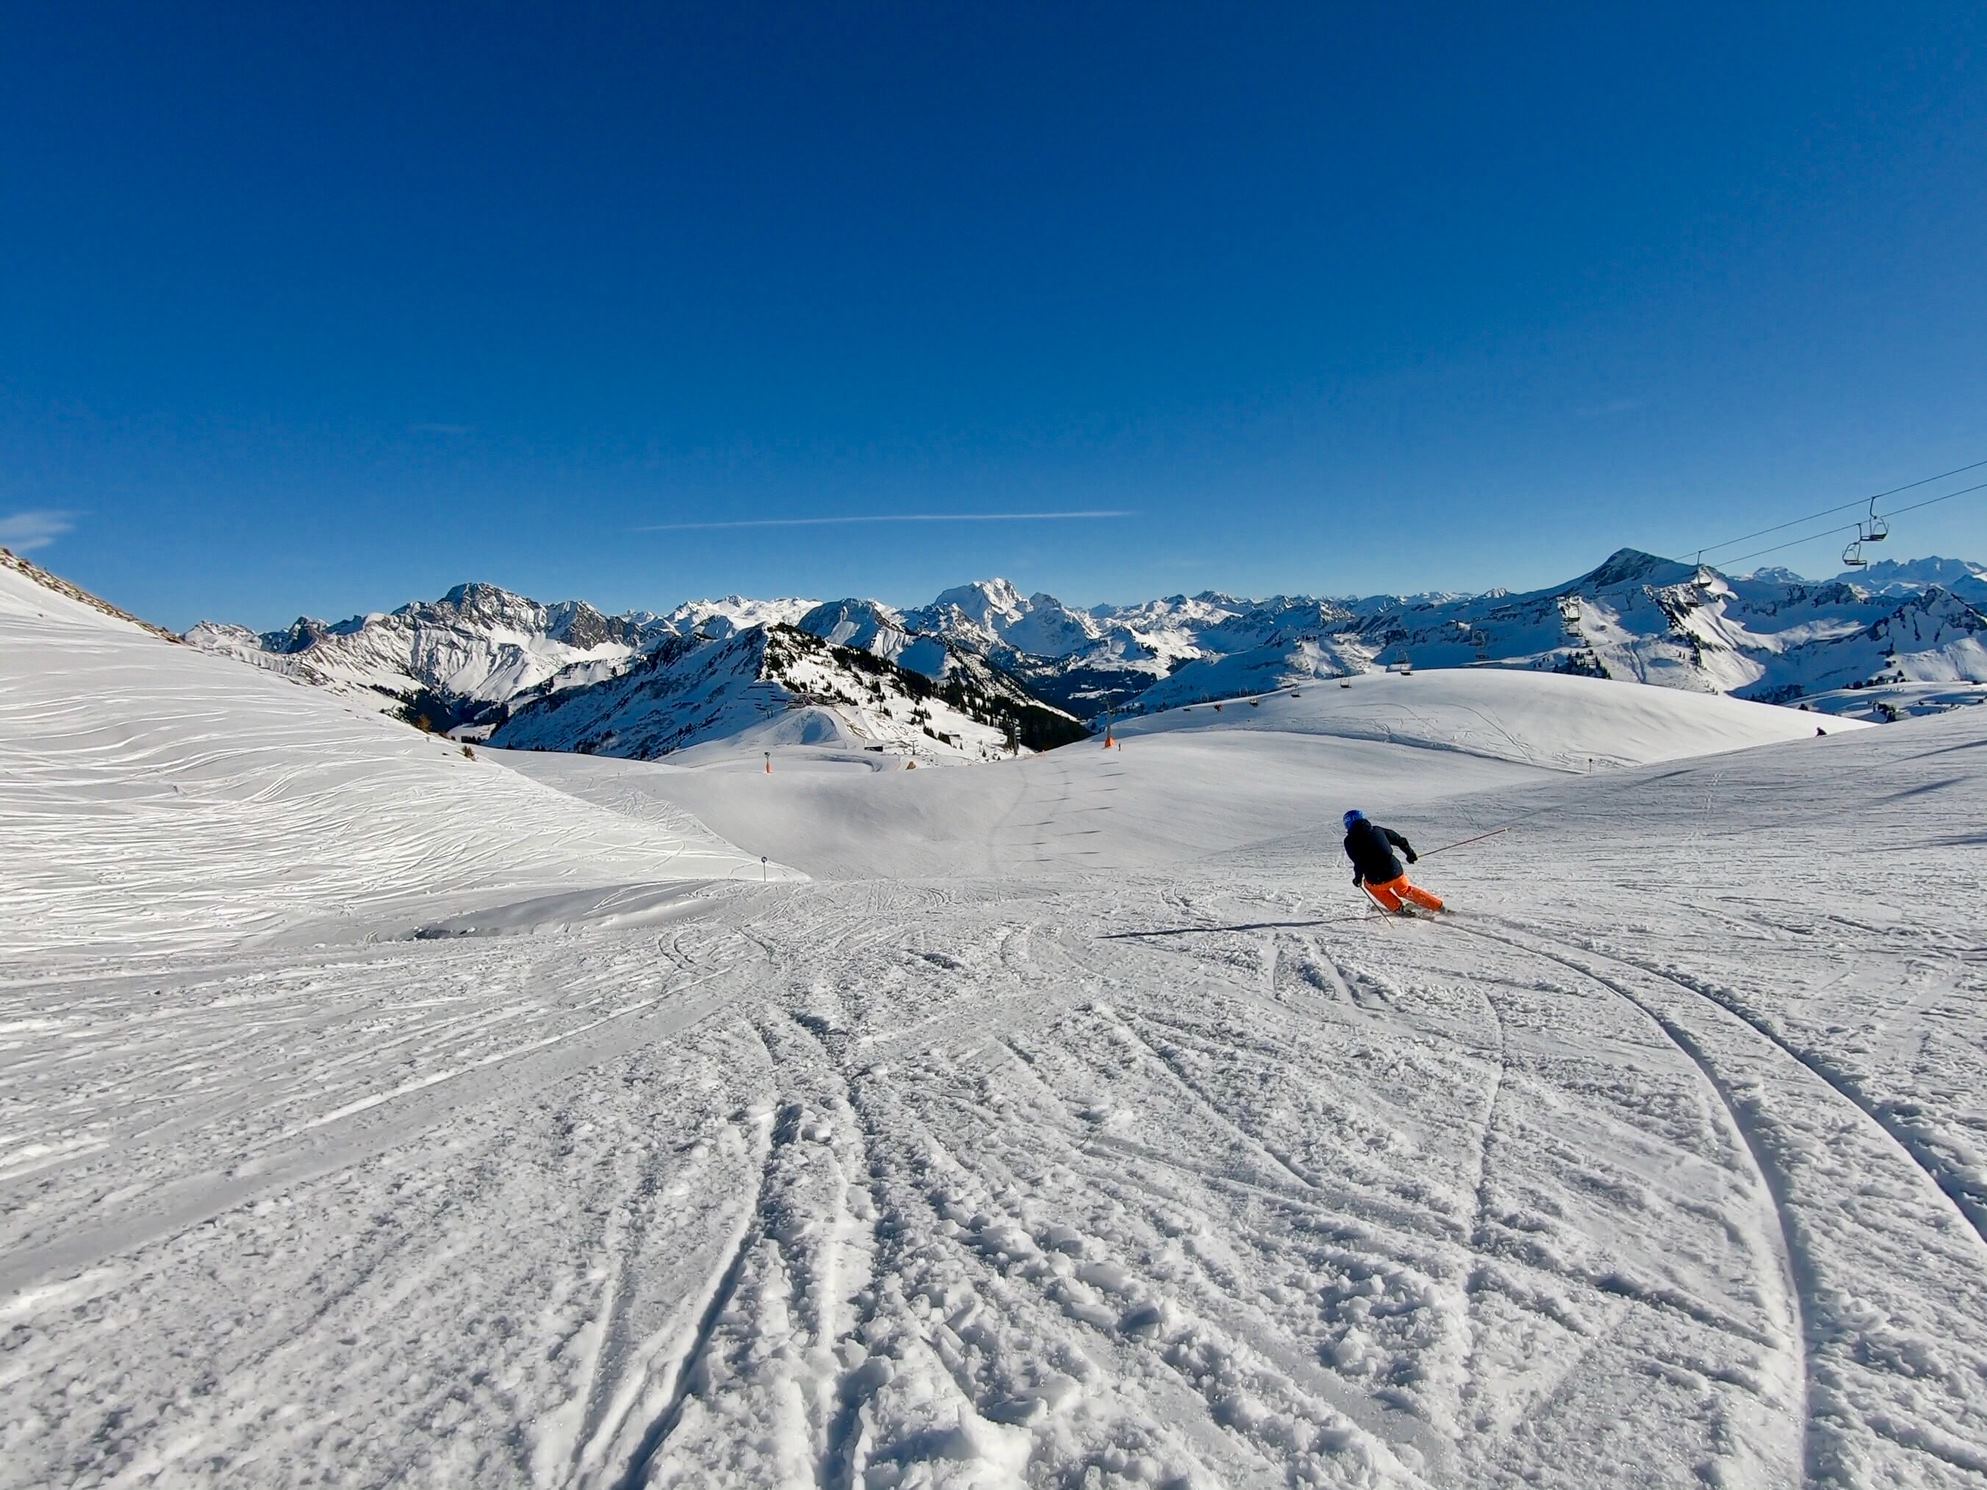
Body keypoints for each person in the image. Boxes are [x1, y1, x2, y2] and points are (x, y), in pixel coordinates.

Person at [1343, 809, 1444, 914]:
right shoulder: (1377, 830)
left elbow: (1359, 863)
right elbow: (1400, 840)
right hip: (1396, 871)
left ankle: (1398, 908)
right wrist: (1410, 854)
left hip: (1377, 880)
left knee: (1369, 885)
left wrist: (1358, 879)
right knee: (1405, 890)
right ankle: (1438, 906)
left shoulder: (1349, 841)